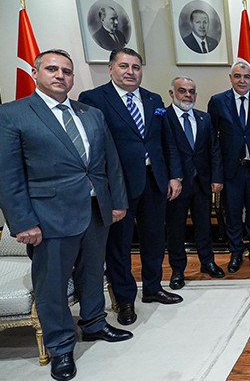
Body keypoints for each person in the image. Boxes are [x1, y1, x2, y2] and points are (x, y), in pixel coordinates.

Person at [0, 49, 132, 381]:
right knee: (52, 285)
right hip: (48, 217)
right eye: (52, 69)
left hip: (95, 211)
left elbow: (110, 161)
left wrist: (117, 201)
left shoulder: (91, 113)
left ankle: (95, 323)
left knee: (93, 273)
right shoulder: (13, 114)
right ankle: (60, 346)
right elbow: (8, 175)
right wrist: (22, 222)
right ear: (36, 73)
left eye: (67, 71)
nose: (60, 75)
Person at [79, 47, 184, 327]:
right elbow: (92, 147)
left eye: (136, 67)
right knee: (120, 244)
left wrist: (174, 176)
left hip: (154, 180)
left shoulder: (153, 99)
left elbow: (166, 141)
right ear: (110, 68)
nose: (130, 72)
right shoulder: (93, 99)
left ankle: (152, 287)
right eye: (124, 66)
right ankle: (125, 299)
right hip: (118, 185)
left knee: (154, 238)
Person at [208, 59, 250, 272]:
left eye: (246, 77)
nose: (242, 80)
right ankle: (236, 252)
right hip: (231, 169)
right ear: (231, 78)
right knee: (233, 213)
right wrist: (216, 172)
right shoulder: (218, 101)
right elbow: (212, 140)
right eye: (238, 76)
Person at [164, 77, 225, 290]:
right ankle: (178, 270)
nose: (187, 95)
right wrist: (173, 177)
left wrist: (217, 177)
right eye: (182, 91)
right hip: (176, 185)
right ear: (172, 94)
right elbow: (164, 151)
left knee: (204, 225)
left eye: (191, 91)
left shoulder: (204, 118)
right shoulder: (163, 117)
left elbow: (214, 149)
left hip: (202, 182)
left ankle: (207, 262)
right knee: (176, 229)